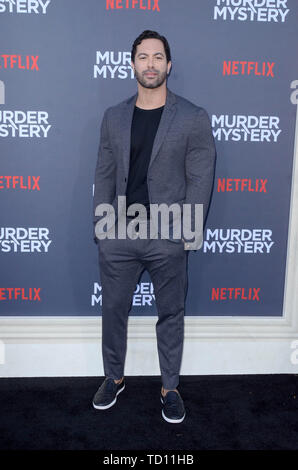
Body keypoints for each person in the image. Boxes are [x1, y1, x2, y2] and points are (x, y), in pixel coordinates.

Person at [92, 30, 216, 423]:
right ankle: (114, 377)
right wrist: (102, 227)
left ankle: (170, 387)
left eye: (157, 57)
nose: (150, 64)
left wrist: (186, 234)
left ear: (169, 65)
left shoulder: (194, 117)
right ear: (132, 65)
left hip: (169, 233)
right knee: (113, 309)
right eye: (143, 57)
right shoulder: (114, 116)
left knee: (171, 312)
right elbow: (105, 172)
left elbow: (200, 179)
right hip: (120, 232)